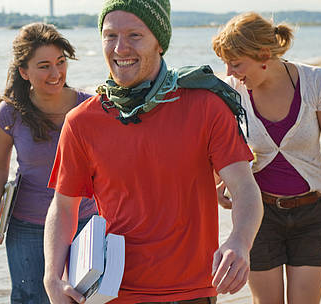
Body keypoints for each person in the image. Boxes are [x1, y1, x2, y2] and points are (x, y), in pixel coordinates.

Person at [42, 1, 264, 303]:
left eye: (135, 35)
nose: (120, 48)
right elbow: (64, 206)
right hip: (111, 293)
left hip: (192, 291)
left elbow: (244, 187)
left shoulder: (206, 106)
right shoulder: (81, 121)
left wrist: (240, 241)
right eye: (110, 36)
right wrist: (53, 277)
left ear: (160, 41)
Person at [211, 12, 321, 304]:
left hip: (312, 215)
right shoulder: (233, 90)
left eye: (236, 63)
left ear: (264, 55)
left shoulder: (316, 83)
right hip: (259, 216)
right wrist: (220, 182)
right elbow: (225, 147)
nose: (230, 72)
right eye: (226, 64)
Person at [0, 22, 98, 303]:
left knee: (88, 298)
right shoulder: (10, 114)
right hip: (28, 224)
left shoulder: (90, 108)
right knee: (29, 297)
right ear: (24, 72)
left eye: (60, 62)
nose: (56, 73)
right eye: (44, 65)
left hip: (85, 220)